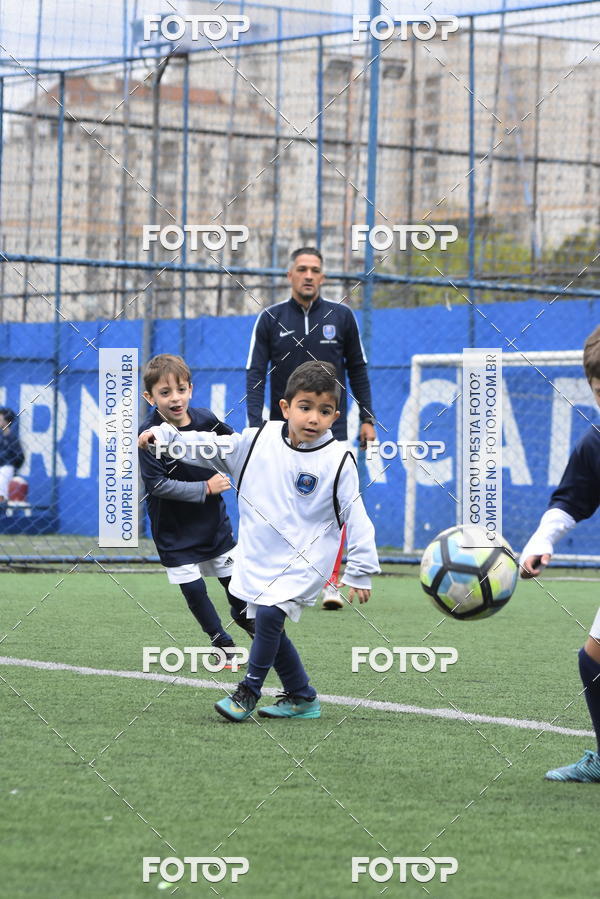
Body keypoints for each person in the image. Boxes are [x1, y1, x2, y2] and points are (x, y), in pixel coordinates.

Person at [139, 360, 380, 721]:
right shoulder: (258, 440)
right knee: (252, 615)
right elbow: (211, 446)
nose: (313, 418)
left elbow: (356, 516)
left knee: (268, 613)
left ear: (335, 416)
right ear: (285, 407)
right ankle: (302, 696)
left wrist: (360, 569)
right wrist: (168, 439)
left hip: (307, 559)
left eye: (324, 411)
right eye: (305, 407)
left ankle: (248, 691)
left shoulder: (338, 459)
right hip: (261, 554)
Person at [245, 247, 376, 609]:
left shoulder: (342, 316)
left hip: (333, 431)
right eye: (301, 269)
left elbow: (358, 370)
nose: (308, 275)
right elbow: (255, 372)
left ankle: (331, 581)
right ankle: (280, 575)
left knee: (336, 503)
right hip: (280, 432)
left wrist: (368, 419)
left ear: (323, 277)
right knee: (280, 504)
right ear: (290, 275)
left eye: (315, 270)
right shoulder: (270, 318)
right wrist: (255, 425)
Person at [520, 324, 600, 782]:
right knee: (593, 660)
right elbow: (571, 499)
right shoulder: (595, 443)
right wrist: (542, 540)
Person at [139, 354, 254, 665]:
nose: (175, 398)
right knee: (194, 590)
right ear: (150, 397)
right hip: (173, 530)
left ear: (190, 389)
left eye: (181, 389)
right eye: (165, 393)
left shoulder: (206, 420)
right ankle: (221, 642)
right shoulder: (148, 435)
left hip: (212, 523)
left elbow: (237, 447)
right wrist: (205, 488)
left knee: (235, 586)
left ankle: (249, 620)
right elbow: (157, 485)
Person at [0, 407, 25, 503]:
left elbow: (20, 456)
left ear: (7, 421)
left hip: (6, 467)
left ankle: (1, 503)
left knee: (5, 471)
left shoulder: (11, 438)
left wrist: (13, 467)